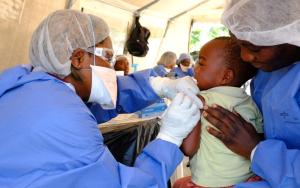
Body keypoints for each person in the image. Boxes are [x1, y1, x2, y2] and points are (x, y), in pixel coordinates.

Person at [0, 10, 203, 188]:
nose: (111, 67)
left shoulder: (24, 83)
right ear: (78, 58)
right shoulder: (65, 117)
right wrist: (169, 139)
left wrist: (157, 85)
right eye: (108, 57)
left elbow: (99, 100)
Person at [202, 0, 300, 187]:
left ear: (292, 34)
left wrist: (255, 149)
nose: (245, 56)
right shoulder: (267, 71)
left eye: (254, 48)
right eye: (240, 46)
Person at [173, 37, 262, 188]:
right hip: (246, 180)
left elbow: (188, 148)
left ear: (226, 76)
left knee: (177, 184)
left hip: (209, 183)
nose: (195, 68)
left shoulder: (201, 101)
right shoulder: (250, 102)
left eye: (201, 63)